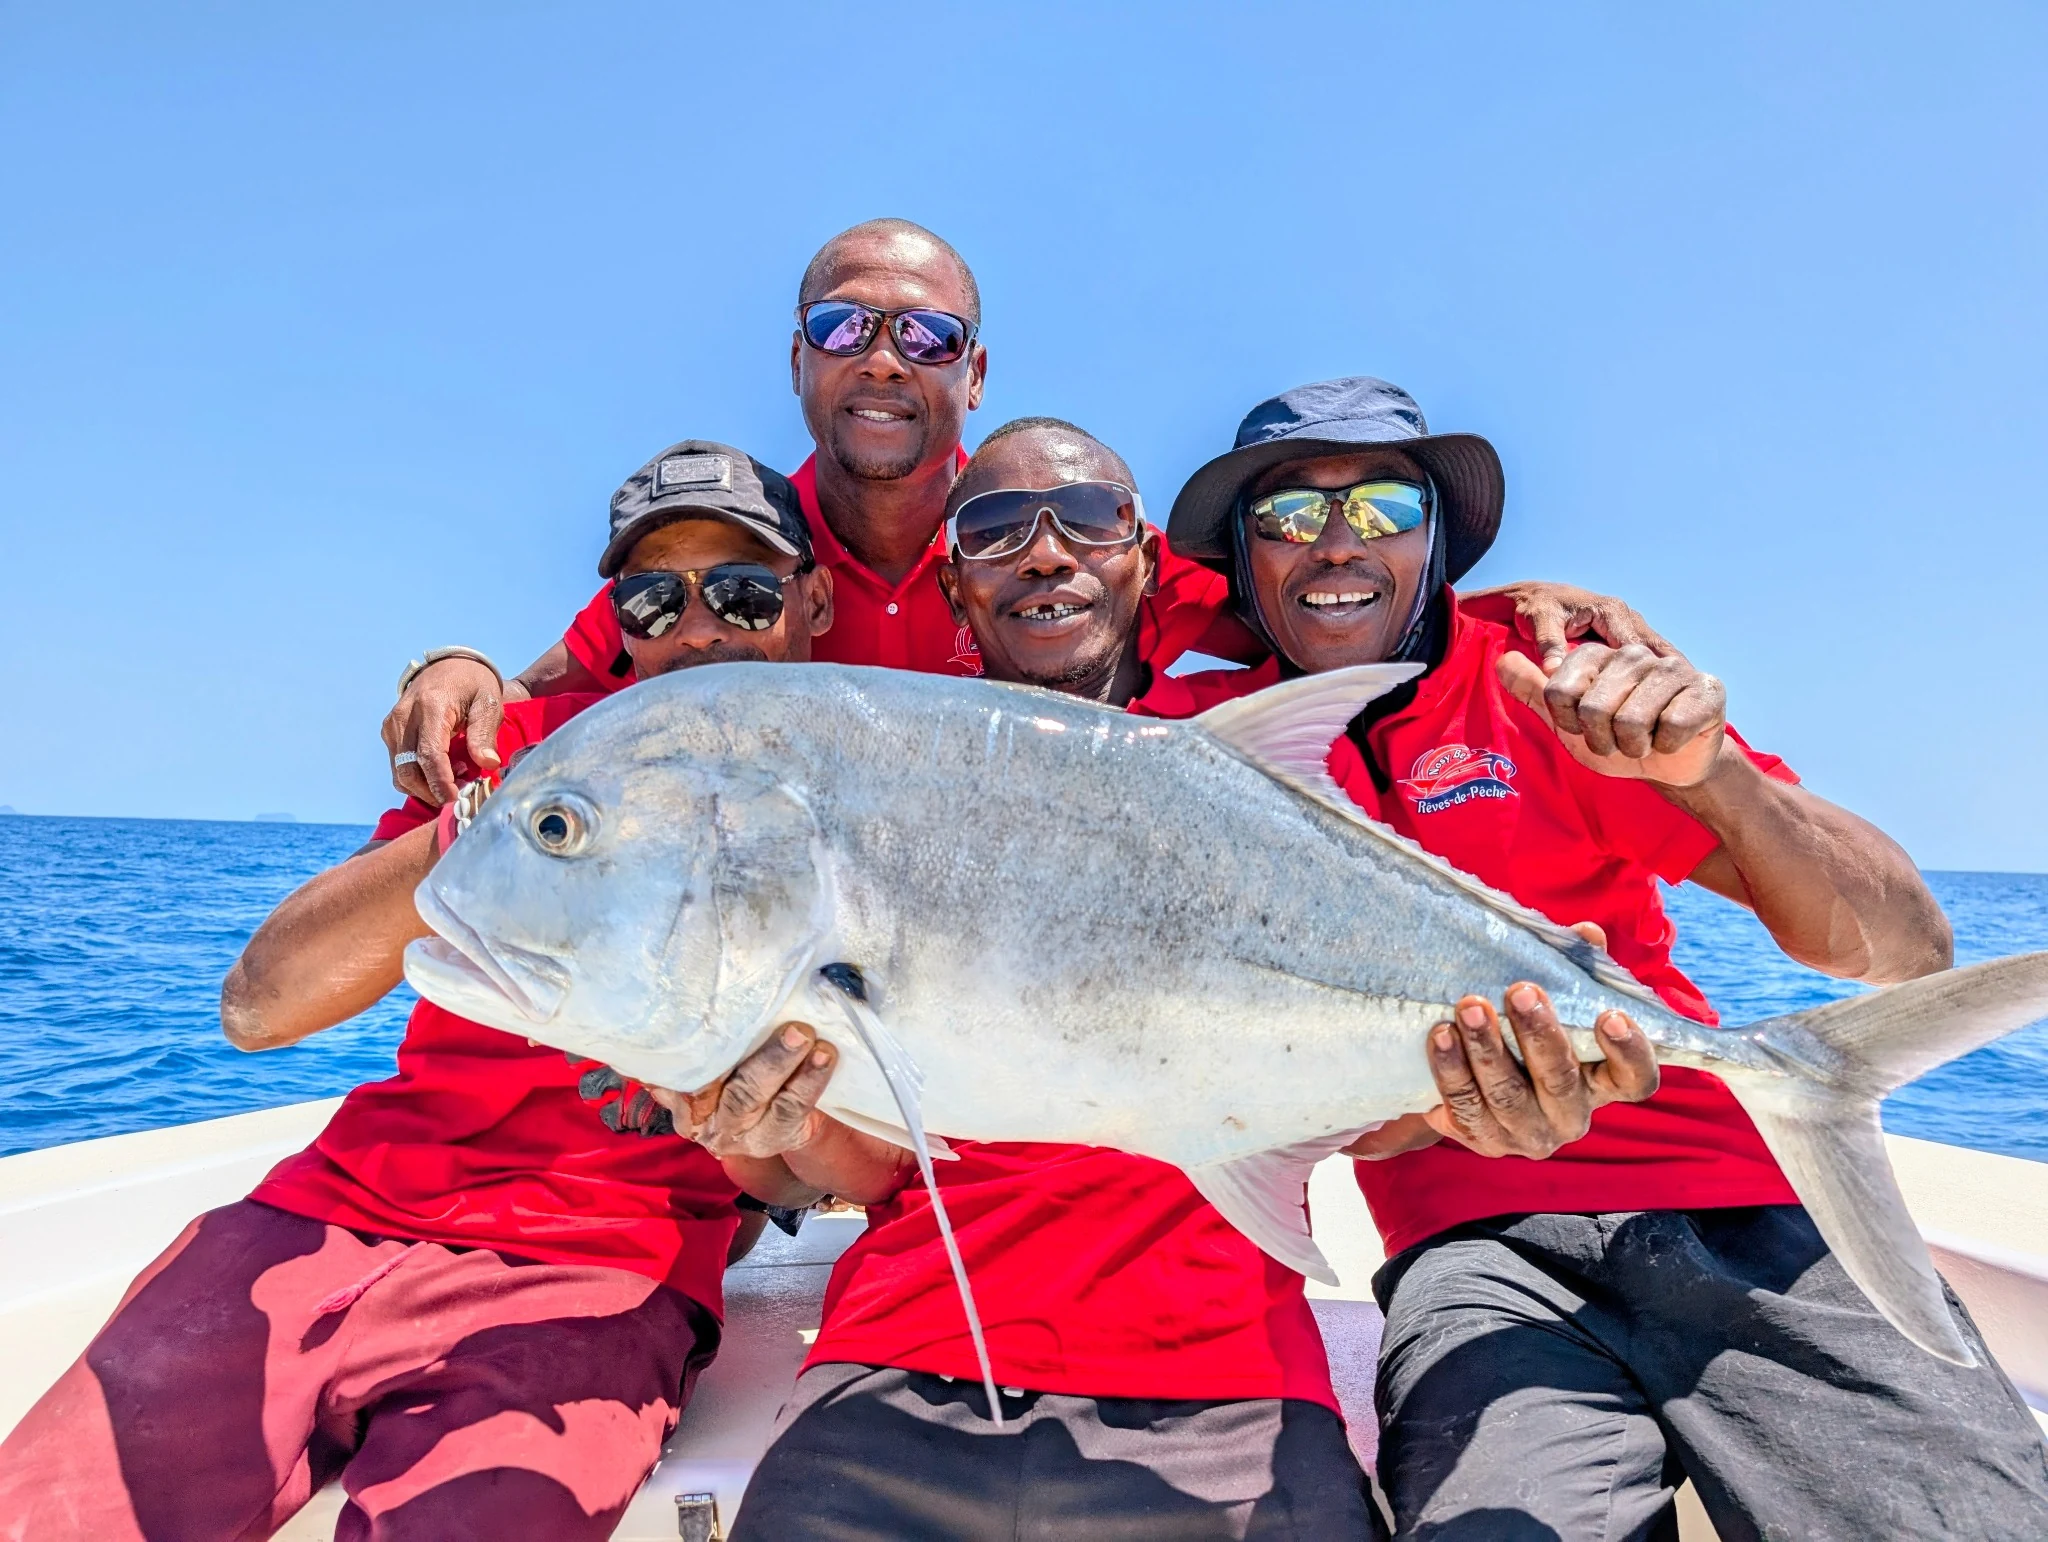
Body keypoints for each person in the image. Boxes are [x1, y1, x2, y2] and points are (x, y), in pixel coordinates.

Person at [1153, 376, 2048, 1540]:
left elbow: (1900, 947)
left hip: (1734, 1206)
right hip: (1471, 1261)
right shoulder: (1199, 754)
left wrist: (1704, 774)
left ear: (1436, 541)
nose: (1334, 542)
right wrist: (1430, 1115)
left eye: (1379, 508)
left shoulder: (1550, 683)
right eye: (1285, 517)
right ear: (1239, 562)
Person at [0, 442, 832, 1542]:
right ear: (615, 620)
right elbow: (259, 1008)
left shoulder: (843, 803)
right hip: (325, 1218)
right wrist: (524, 821)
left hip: (600, 1268)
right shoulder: (512, 758)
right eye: (650, 598)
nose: (696, 631)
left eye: (741, 592)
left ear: (810, 605)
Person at [664, 414, 1424, 1540]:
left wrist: (1457, 1087)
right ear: (958, 590)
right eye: (994, 531)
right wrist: (749, 1124)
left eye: (1087, 519)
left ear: (1144, 561)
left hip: (1225, 1387)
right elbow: (872, 1163)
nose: (1045, 552)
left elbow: (1374, 1098)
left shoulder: (1249, 761)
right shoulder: (896, 776)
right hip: (905, 1368)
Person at [377, 218, 1654, 807]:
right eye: (844, 327)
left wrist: (1486, 607)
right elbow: (578, 671)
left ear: (971, 376)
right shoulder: (744, 565)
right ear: (797, 362)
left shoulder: (1044, 544)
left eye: (925, 334)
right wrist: (458, 661)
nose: (884, 358)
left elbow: (1310, 603)